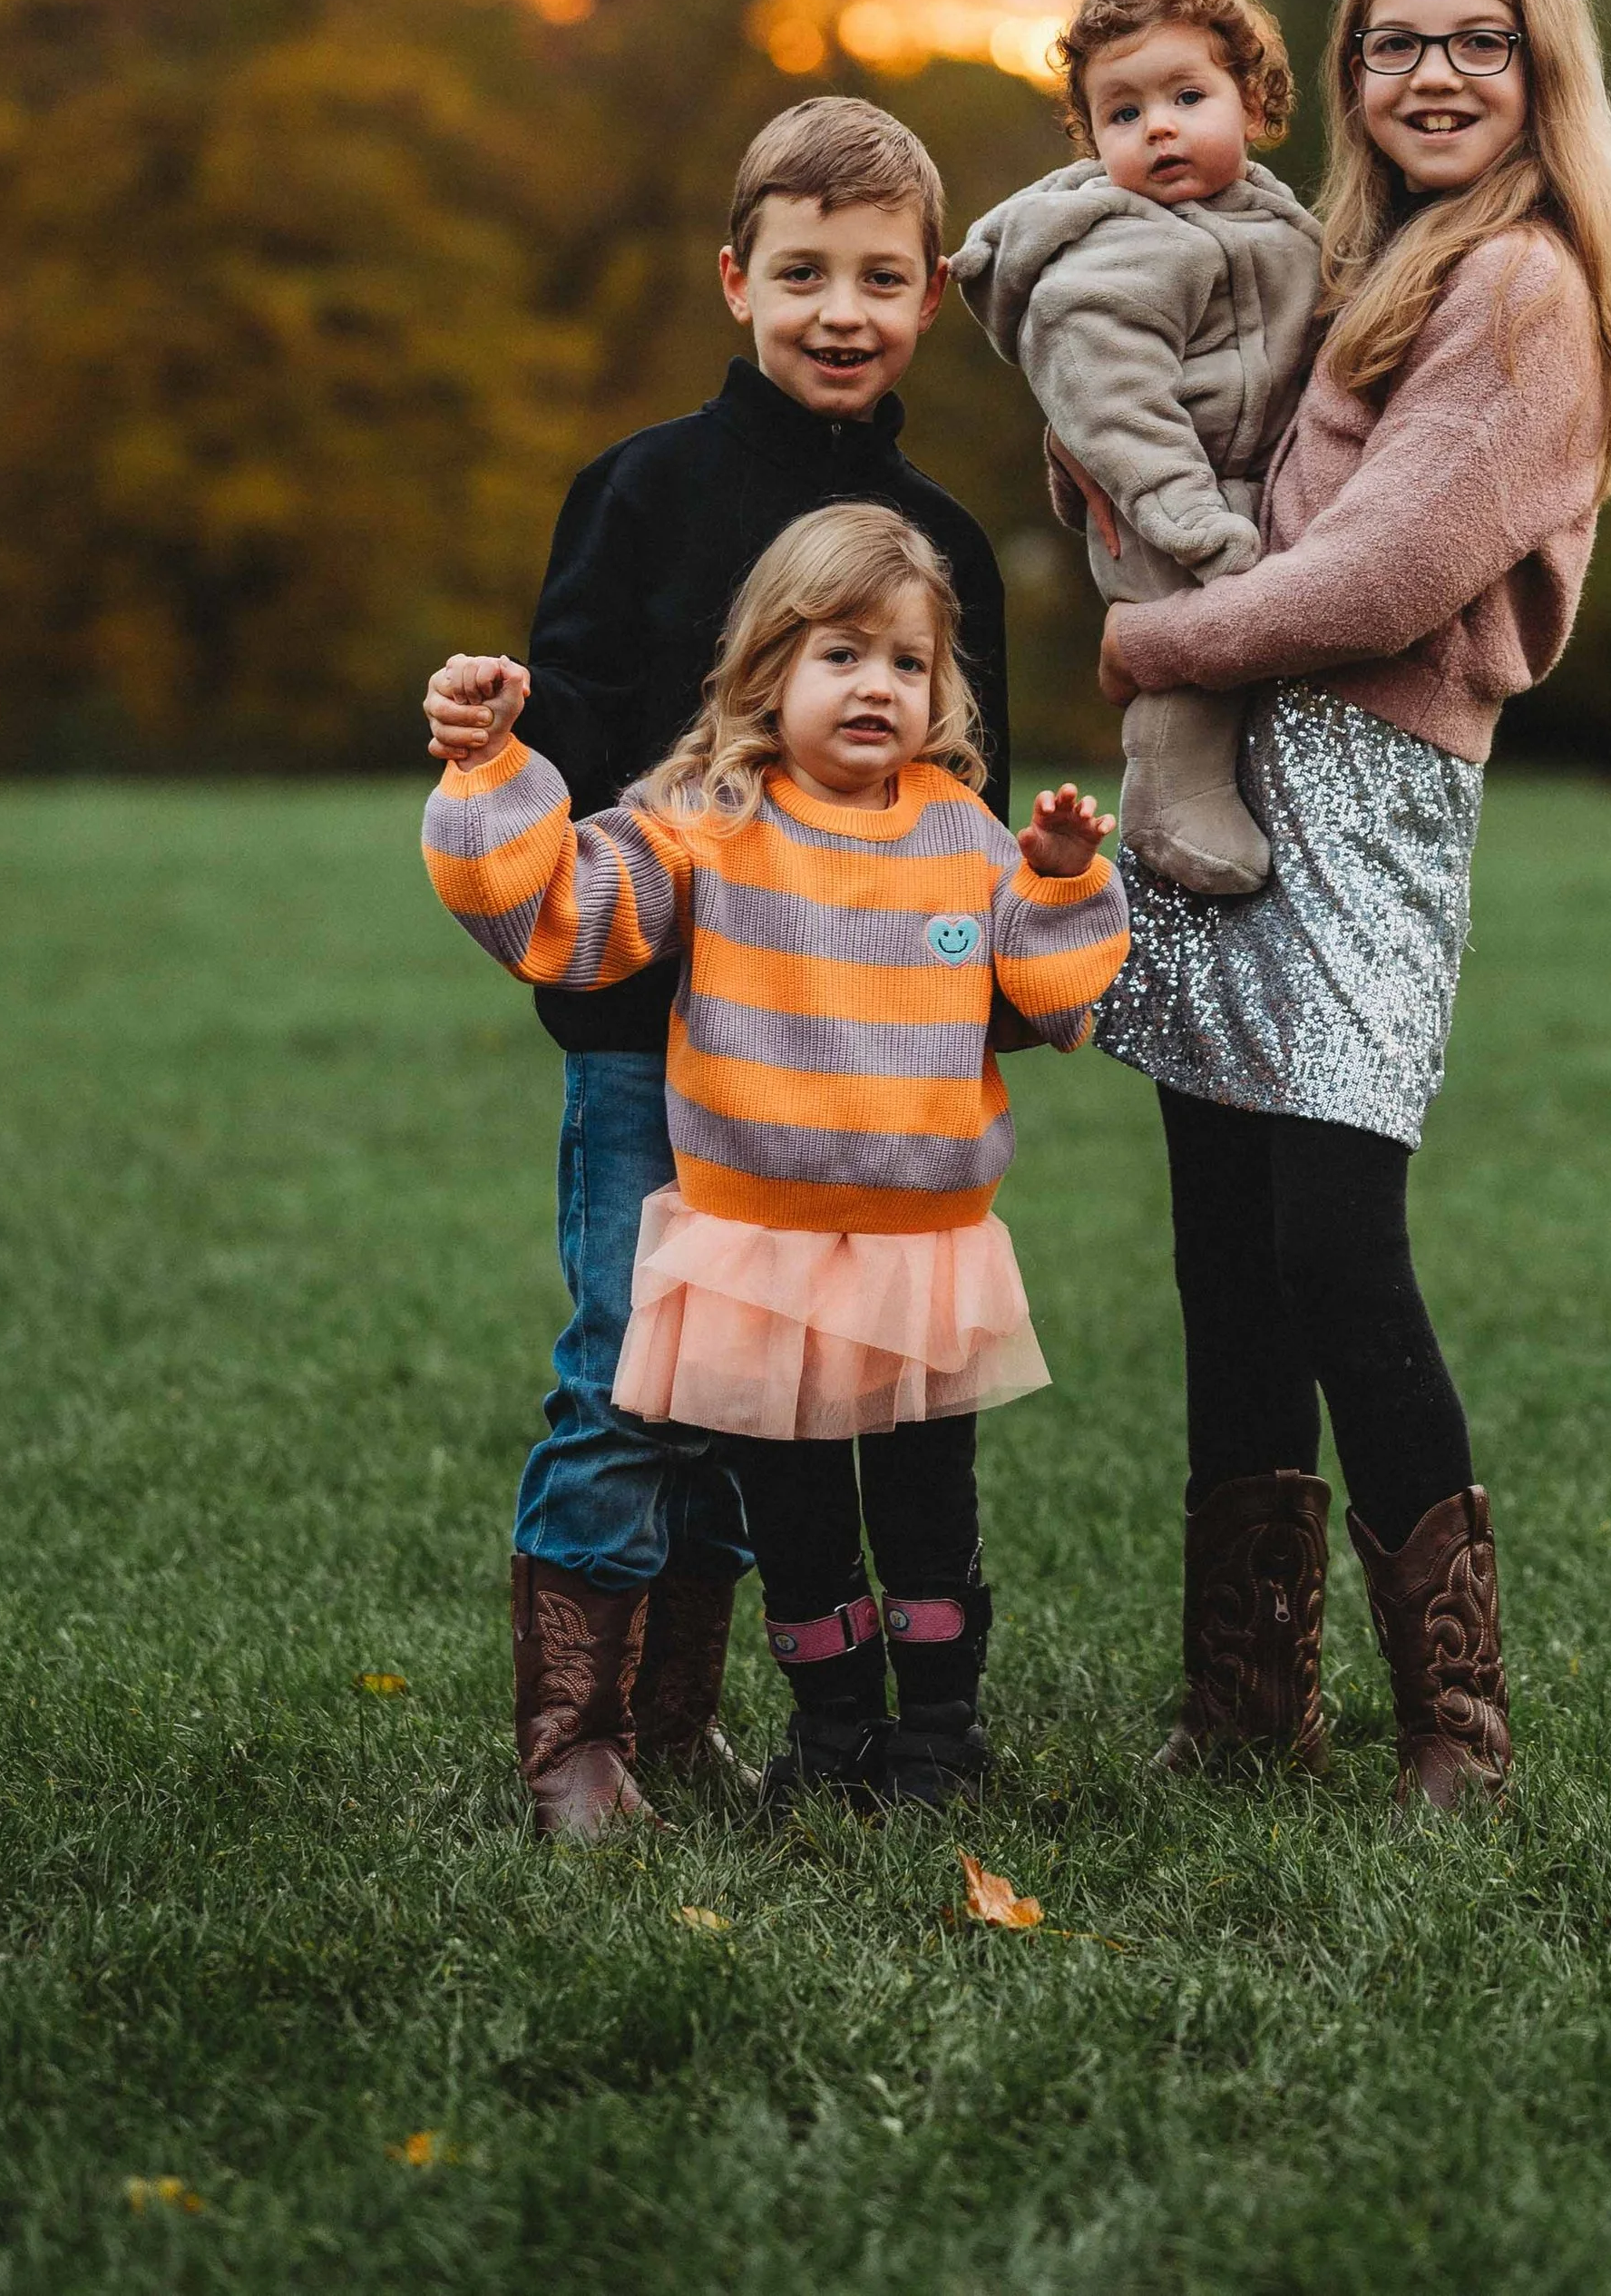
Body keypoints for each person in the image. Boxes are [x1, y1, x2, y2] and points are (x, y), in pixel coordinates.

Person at [1093, 0, 1611, 1820]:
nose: (1430, 75)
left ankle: (1457, 1731)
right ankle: (1248, 1705)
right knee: (1223, 1256)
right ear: (1343, 77)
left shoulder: (1516, 283)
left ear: (1536, 70)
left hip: (1357, 799)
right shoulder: (1356, 259)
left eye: (1473, 42)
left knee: (1334, 1247)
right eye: (1392, 44)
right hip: (1231, 784)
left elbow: (1388, 573)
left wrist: (1145, 641)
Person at [421, 100, 1010, 1841]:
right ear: (737, 278)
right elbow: (578, 733)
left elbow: (963, 813)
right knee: (627, 1375)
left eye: (883, 278)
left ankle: (683, 1719)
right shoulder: (644, 491)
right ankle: (576, 1738)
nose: (842, 308)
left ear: (931, 298)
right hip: (648, 1038)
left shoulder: (945, 546)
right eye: (806, 271)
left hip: (844, 1068)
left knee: (759, 1391)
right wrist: (494, 755)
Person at [425, 503, 1126, 1820]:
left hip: (924, 1252)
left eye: (908, 663)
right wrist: (490, 768)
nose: (879, 685)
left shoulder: (963, 833)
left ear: (944, 686)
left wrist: (1059, 883)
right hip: (760, 1249)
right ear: (767, 674)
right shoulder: (711, 818)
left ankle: (942, 1737)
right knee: (797, 1522)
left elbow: (1054, 1002)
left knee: (927, 1510)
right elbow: (564, 916)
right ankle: (833, 1733)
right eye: (841, 654)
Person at [952, 0, 1321, 899]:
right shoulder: (1112, 251)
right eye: (1122, 113)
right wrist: (1195, 523)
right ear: (1092, 139)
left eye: (1186, 96)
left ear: (1254, 104)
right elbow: (1113, 405)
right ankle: (1166, 801)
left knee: (1241, 660)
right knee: (1184, 667)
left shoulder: (1279, 223)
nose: (1157, 125)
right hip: (1161, 502)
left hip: (1248, 486)